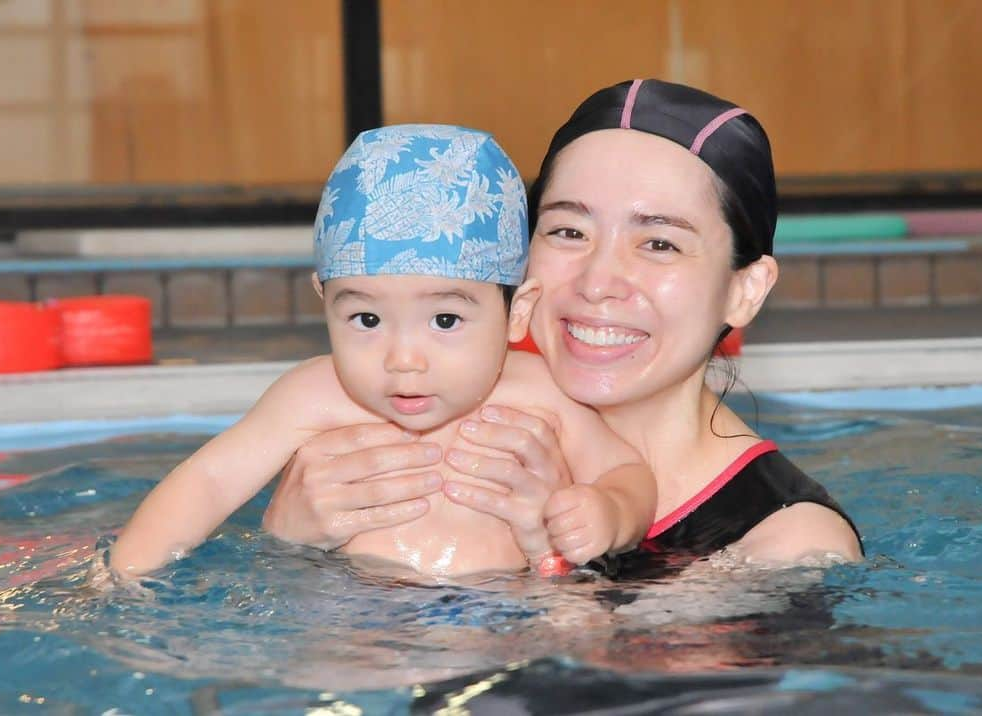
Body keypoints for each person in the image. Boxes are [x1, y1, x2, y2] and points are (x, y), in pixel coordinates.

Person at [263, 80, 863, 569]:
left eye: (658, 243)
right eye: (568, 232)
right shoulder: (423, 417)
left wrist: (545, 550)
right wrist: (286, 545)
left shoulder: (785, 545)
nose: (598, 281)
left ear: (744, 290)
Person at [107, 124, 657, 578]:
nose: (404, 359)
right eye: (366, 319)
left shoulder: (539, 391)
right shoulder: (312, 396)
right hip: (356, 617)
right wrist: (123, 575)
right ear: (324, 301)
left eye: (445, 319)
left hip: (510, 609)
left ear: (517, 312)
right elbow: (206, 483)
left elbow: (629, 472)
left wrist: (608, 511)